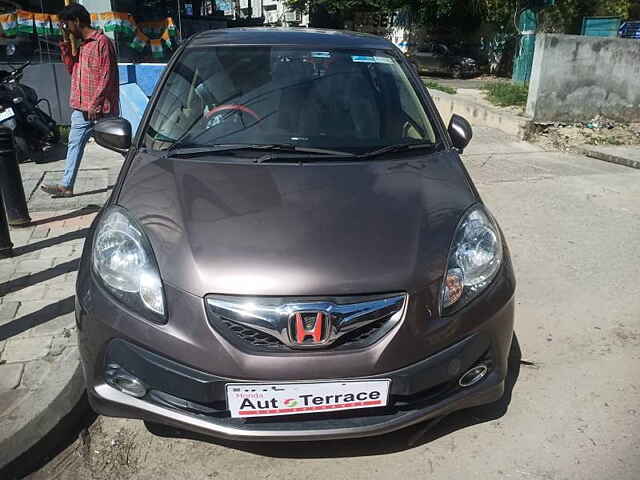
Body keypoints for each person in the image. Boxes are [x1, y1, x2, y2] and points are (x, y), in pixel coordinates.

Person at [41, 4, 119, 198]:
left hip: (101, 108)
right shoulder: (80, 45)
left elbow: (106, 76)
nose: (64, 28)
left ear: (76, 21)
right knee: (74, 144)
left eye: (65, 24)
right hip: (80, 107)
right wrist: (66, 47)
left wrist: (96, 102)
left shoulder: (102, 42)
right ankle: (66, 185)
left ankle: (138, 175)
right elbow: (72, 71)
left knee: (118, 144)